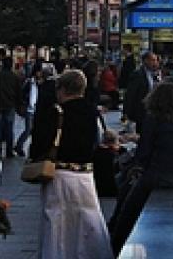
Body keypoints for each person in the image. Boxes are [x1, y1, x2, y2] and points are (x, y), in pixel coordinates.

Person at [31, 69, 113, 259]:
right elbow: (98, 140)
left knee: (57, 223)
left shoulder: (56, 112)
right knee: (87, 221)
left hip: (58, 174)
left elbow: (38, 144)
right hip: (85, 176)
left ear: (62, 89)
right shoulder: (92, 112)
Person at [109, 82, 173, 255]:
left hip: (156, 175)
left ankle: (115, 247)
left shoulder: (153, 118)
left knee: (126, 211)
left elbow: (144, 153)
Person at [123, 51, 160, 134]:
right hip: (140, 111)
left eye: (156, 60)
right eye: (153, 60)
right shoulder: (137, 74)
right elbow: (130, 94)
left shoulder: (155, 75)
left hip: (152, 111)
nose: (155, 63)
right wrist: (126, 112)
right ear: (146, 61)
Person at [16, 62, 43, 157]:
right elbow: (22, 93)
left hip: (35, 108)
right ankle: (18, 146)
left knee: (31, 129)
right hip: (29, 109)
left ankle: (20, 146)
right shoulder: (30, 82)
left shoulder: (41, 83)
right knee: (29, 129)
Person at [93, 130, 122, 198]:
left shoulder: (95, 152)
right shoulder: (114, 154)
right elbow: (118, 169)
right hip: (112, 190)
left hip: (98, 189)